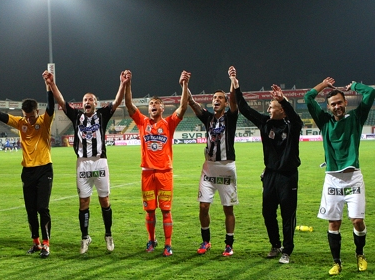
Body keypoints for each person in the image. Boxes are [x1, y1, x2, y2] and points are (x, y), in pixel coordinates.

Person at [47, 71, 128, 253]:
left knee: (104, 200)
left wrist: (122, 84)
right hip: (82, 163)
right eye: (85, 100)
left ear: (95, 103)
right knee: (83, 202)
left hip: (100, 162)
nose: (87, 102)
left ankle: (108, 234)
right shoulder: (76, 116)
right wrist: (52, 84)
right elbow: (61, 102)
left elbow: (117, 101)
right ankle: (85, 238)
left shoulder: (102, 115)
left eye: (90, 99)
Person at [231, 67, 302, 264]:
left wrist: (283, 99)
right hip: (270, 175)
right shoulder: (265, 123)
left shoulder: (292, 125)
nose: (268, 110)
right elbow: (245, 109)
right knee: (267, 212)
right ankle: (275, 245)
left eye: (271, 107)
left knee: (288, 214)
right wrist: (236, 86)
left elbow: (295, 118)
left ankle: (287, 250)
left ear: (281, 110)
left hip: (288, 176)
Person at [305, 77, 374, 275]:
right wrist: (324, 85)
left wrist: (354, 86)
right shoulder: (324, 122)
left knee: (357, 221)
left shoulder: (357, 117)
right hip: (332, 179)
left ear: (345, 103)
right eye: (333, 104)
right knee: (334, 223)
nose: (337, 107)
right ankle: (337, 262)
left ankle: (360, 254)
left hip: (353, 178)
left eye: (340, 103)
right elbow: (308, 98)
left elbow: (371, 93)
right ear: (328, 107)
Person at [0, 71, 55, 257]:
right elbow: (0, 115)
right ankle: (36, 243)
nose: (29, 119)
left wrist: (48, 86)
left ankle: (46, 243)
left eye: (32, 116)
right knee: (30, 210)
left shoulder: (44, 121)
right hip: (27, 171)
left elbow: (51, 105)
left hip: (44, 169)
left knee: (43, 208)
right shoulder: (21, 122)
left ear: (37, 112)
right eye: (26, 116)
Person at [125, 70, 190, 256]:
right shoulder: (141, 122)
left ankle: (168, 244)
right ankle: (151, 240)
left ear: (162, 108)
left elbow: (183, 106)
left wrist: (184, 85)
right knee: (150, 210)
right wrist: (128, 83)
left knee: (166, 211)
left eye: (156, 104)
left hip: (164, 173)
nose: (152, 105)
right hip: (147, 172)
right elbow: (129, 104)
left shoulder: (169, 123)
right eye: (150, 104)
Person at [188, 67, 239, 256]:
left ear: (225, 102)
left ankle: (229, 244)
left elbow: (235, 100)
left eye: (220, 98)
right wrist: (185, 84)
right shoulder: (208, 118)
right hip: (208, 168)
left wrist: (233, 79)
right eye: (214, 98)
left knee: (228, 208)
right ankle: (206, 241)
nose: (216, 100)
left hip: (226, 167)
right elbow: (192, 102)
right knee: (203, 206)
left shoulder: (231, 117)